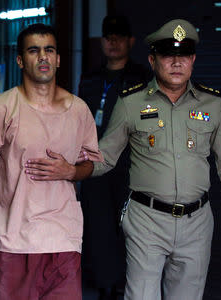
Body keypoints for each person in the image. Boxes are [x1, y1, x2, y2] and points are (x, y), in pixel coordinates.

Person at [87, 19, 221, 300]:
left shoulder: (212, 105)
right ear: (152, 60)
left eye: (183, 55)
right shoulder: (130, 103)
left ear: (193, 60)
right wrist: (72, 168)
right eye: (167, 55)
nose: (176, 62)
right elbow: (105, 158)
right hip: (146, 219)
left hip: (197, 224)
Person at [0, 23, 103, 300]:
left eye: (49, 50)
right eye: (34, 51)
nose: (43, 57)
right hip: (11, 240)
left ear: (58, 59)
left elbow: (91, 164)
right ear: (20, 60)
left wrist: (71, 170)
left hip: (62, 239)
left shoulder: (79, 110)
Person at [78, 15, 150, 299]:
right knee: (98, 228)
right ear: (102, 41)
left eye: (119, 36)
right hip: (95, 165)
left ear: (130, 41)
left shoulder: (142, 77)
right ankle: (105, 287)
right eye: (108, 36)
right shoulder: (91, 77)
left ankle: (127, 286)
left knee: (130, 228)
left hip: (130, 166)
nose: (113, 41)